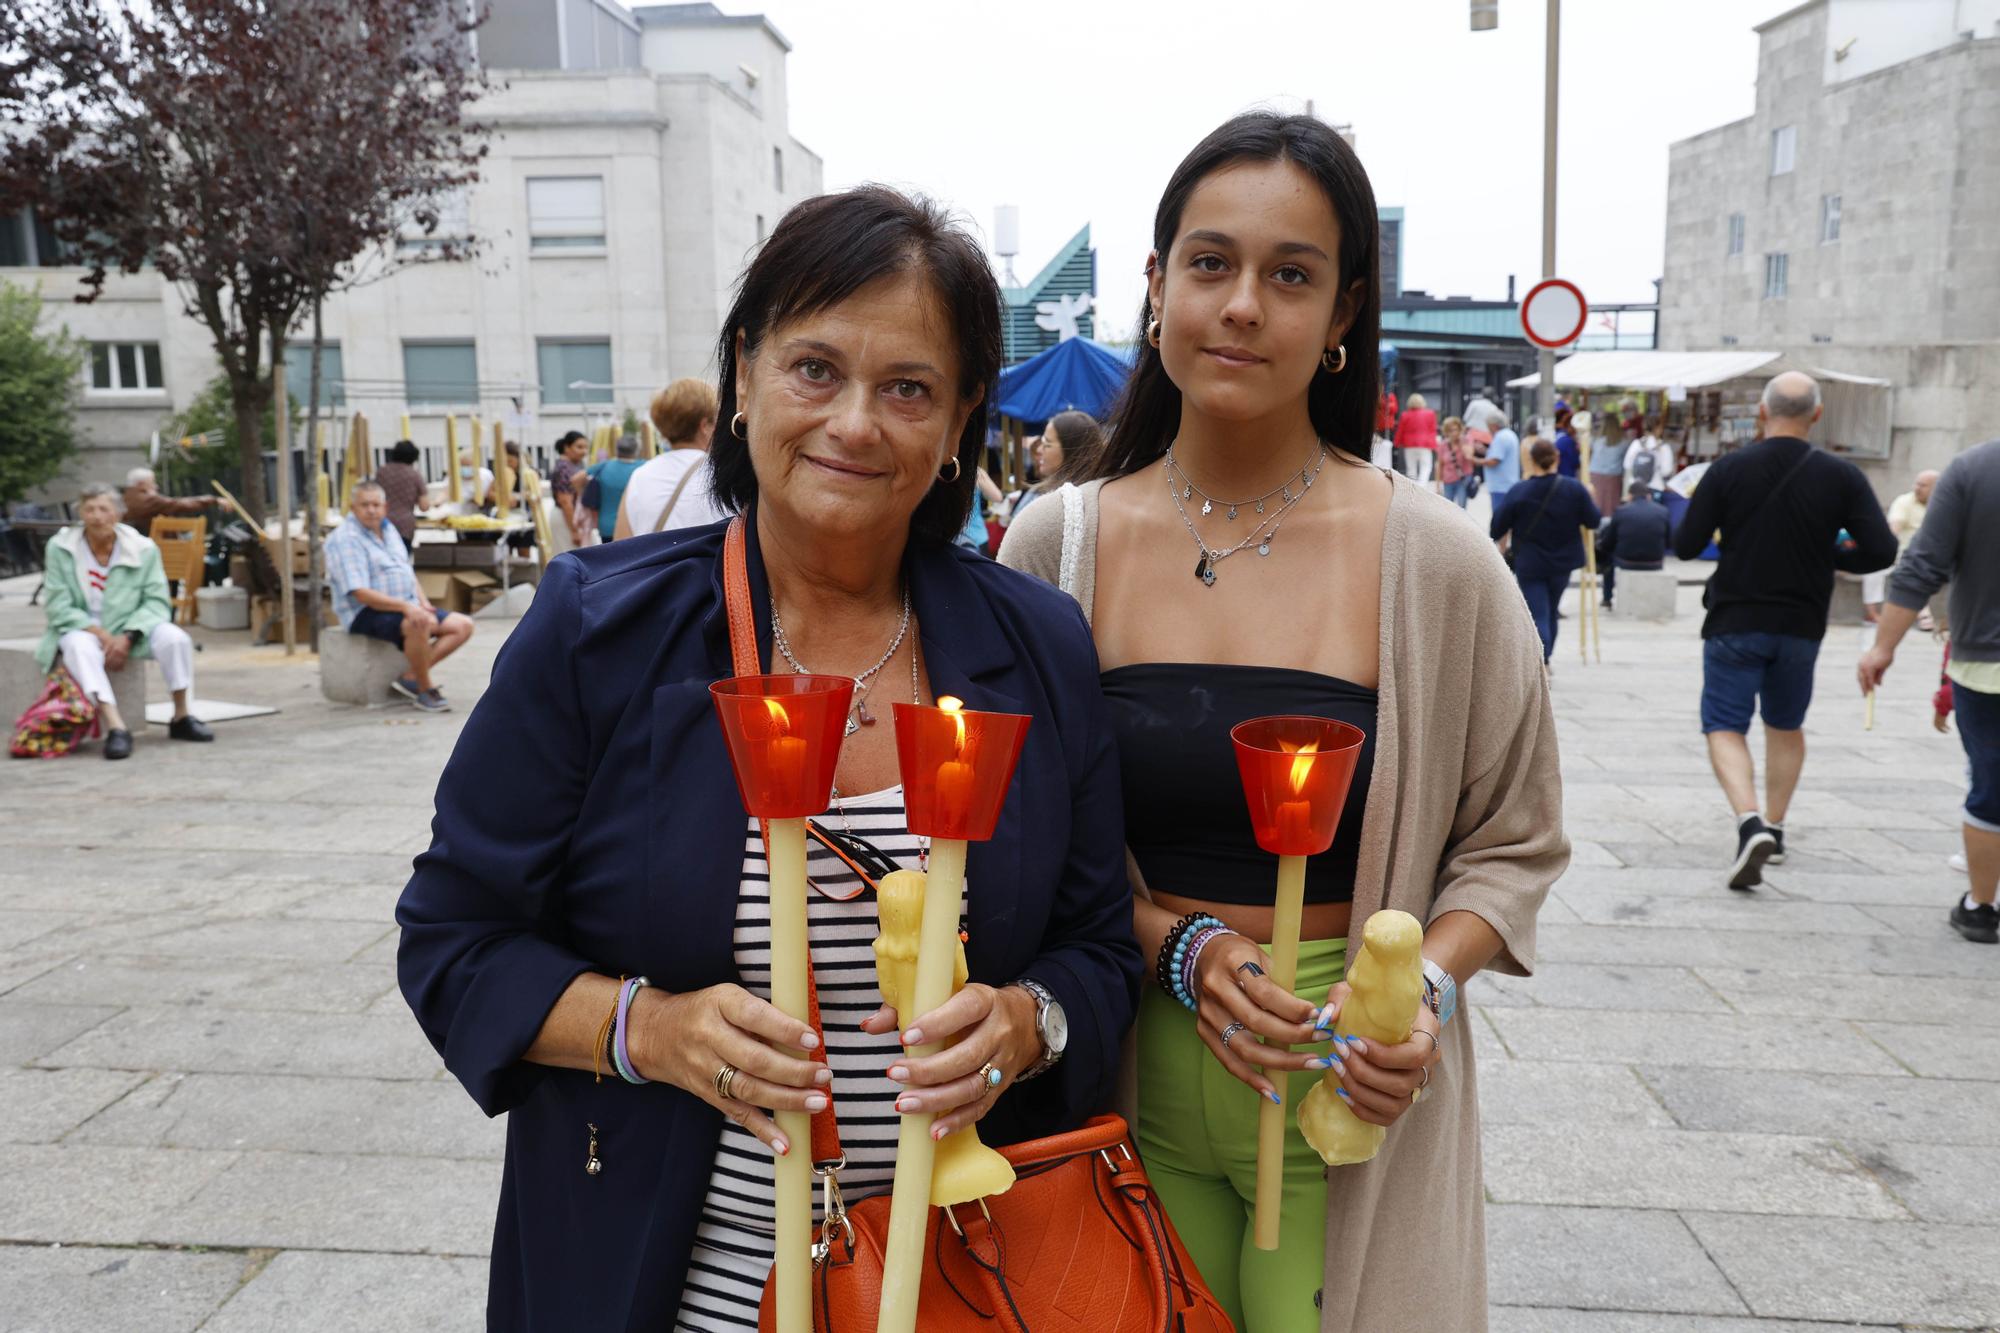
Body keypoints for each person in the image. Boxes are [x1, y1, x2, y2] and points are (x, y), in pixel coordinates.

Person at [396, 186, 1141, 1332]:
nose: (853, 422)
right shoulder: (604, 629)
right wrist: (644, 1025)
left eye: (907, 389)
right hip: (663, 1284)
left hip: (955, 1287)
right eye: (814, 369)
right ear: (743, 375)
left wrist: (1026, 1021)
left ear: (959, 424)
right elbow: (453, 940)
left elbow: (1096, 948)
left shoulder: (1031, 648)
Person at [1000, 111, 1565, 1333]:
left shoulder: (1437, 561)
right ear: (1155, 290)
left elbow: (1511, 842)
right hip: (1125, 1077)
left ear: (1343, 313)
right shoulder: (1058, 544)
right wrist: (1176, 942)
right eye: (1209, 264)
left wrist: (1423, 991)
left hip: (1349, 1098)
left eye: (1290, 274)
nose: (1242, 304)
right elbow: (1020, 836)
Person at [1673, 372, 1897, 890]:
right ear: (1817, 415)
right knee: (1785, 724)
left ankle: (1748, 821)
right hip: (1801, 622)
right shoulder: (1842, 477)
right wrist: (1835, 553)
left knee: (1725, 724)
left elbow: (1686, 545)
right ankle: (1774, 824)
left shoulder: (1727, 470)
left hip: (1735, 618)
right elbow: (1882, 551)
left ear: (1760, 413)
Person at [1858, 441, 1999, 943]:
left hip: (1987, 664)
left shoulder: (1973, 469)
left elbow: (1923, 565)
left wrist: (1882, 648)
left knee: (1991, 786)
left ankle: (1981, 907)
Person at [34, 483, 215, 758]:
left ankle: (181, 716)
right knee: (78, 648)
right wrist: (101, 635)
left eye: (104, 509)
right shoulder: (60, 548)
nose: (96, 516)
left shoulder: (142, 548)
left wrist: (129, 635)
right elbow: (58, 605)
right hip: (83, 627)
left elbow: (156, 601)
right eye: (89, 509)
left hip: (132, 627)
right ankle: (116, 726)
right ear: (81, 514)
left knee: (176, 639)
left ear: (118, 514)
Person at [324, 479, 475, 713]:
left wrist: (422, 602)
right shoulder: (346, 539)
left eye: (376, 504)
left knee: (462, 625)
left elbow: (405, 571)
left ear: (385, 507)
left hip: (405, 604)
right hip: (365, 611)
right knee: (419, 622)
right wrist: (407, 608)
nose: (372, 510)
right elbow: (360, 592)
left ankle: (413, 674)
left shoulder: (388, 528)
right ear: (352, 508)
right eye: (365, 505)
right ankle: (425, 690)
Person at [1491, 438, 1602, 661]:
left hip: (1531, 562)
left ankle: (1543, 661)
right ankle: (1545, 658)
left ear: (1531, 460)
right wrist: (1591, 497)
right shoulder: (1574, 489)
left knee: (1538, 612)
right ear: (1557, 459)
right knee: (1550, 611)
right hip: (1563, 561)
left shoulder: (1519, 491)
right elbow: (1593, 521)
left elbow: (1496, 528)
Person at [615, 379, 730, 538]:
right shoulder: (723, 474)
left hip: (655, 563)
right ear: (704, 426)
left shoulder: (640, 476)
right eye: (716, 419)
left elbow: (621, 546)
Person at [1865, 468, 1940, 625]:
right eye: (1917, 484)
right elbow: (1894, 527)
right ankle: (1872, 614)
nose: (1917, 488)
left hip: (1932, 556)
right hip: (1901, 555)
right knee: (1873, 569)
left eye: (1923, 485)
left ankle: (1925, 614)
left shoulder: (1942, 506)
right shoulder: (1904, 501)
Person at [1009, 409, 1104, 523]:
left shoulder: (1051, 501)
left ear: (1072, 451)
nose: (1039, 450)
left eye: (1047, 444)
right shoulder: (1101, 496)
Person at [1598, 480, 1673, 608]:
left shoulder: (1621, 511)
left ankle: (1607, 598)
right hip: (1655, 561)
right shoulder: (1663, 511)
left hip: (1626, 561)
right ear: (1648, 496)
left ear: (1630, 496)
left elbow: (1608, 542)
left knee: (1608, 560)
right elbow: (1669, 542)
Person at [119, 467, 218, 538]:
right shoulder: (150, 499)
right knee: (192, 537)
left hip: (135, 540)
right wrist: (213, 499)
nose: (156, 486)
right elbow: (181, 504)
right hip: (158, 544)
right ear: (141, 484)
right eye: (152, 482)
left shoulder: (125, 497)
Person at [580, 435, 644, 542]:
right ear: (636, 450)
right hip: (634, 526)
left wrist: (580, 492)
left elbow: (576, 479)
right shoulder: (643, 467)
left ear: (617, 449)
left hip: (607, 527)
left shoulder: (604, 466)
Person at [374, 440, 428, 547]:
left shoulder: (381, 472)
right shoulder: (414, 475)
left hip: (381, 522)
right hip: (404, 526)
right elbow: (424, 506)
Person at [549, 429, 590, 547]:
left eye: (586, 447)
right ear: (567, 448)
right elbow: (565, 501)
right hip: (566, 517)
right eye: (579, 447)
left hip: (572, 517)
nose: (584, 451)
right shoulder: (564, 468)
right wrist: (574, 530)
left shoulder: (575, 465)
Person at [1587, 406, 1630, 516]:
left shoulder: (1596, 440)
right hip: (1613, 476)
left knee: (1596, 502)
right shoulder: (1624, 442)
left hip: (1595, 474)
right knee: (1611, 505)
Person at [1622, 414, 1675, 498]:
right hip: (1655, 487)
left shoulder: (1636, 444)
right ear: (1658, 428)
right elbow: (1666, 471)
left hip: (1635, 487)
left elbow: (1626, 465)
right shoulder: (1664, 447)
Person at [1391, 390, 1437, 486]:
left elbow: (1400, 430)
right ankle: (1422, 486)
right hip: (1425, 445)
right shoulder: (1430, 413)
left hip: (1409, 445)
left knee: (1411, 468)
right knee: (1426, 467)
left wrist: (1396, 443)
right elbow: (1432, 431)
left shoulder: (1405, 415)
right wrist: (1434, 445)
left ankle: (1413, 487)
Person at [1480, 407, 1522, 511]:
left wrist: (1474, 460)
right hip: (1508, 483)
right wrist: (1484, 451)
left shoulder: (1501, 437)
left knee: (1499, 517)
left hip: (1501, 486)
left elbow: (1494, 461)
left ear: (1494, 425)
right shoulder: (1509, 434)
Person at [1436, 414, 1475, 508]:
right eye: (1450, 431)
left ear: (1460, 430)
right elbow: (1439, 464)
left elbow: (1469, 456)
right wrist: (1438, 484)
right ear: (1446, 432)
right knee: (1448, 508)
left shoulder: (1466, 441)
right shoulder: (1443, 445)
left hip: (1462, 479)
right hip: (1448, 480)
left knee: (1462, 507)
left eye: (1456, 430)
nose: (1454, 433)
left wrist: (1461, 443)